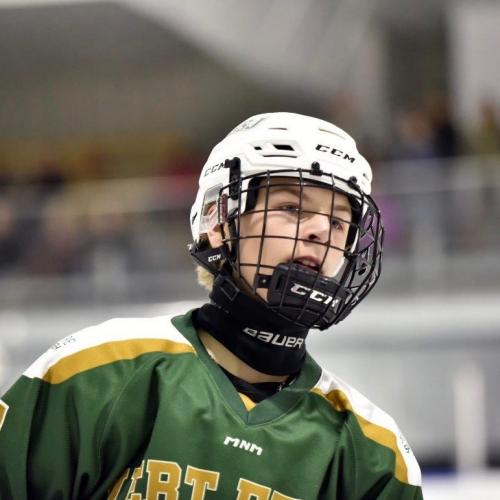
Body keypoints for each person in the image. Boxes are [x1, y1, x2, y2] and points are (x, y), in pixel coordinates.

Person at [0, 113, 423, 499]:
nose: (320, 231)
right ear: (219, 223)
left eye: (338, 221)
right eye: (292, 207)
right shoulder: (96, 374)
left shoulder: (372, 454)